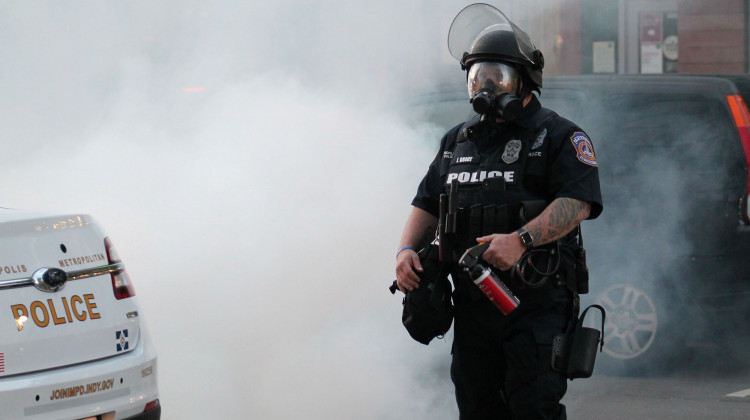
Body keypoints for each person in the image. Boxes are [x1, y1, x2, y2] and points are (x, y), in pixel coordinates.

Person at [394, 4, 603, 420]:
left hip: (536, 303)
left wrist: (521, 240)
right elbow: (427, 201)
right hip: (474, 306)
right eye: (478, 76)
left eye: (498, 75)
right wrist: (404, 252)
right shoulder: (457, 140)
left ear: (525, 80)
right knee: (477, 409)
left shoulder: (559, 135)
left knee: (532, 409)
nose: (486, 85)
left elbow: (578, 203)